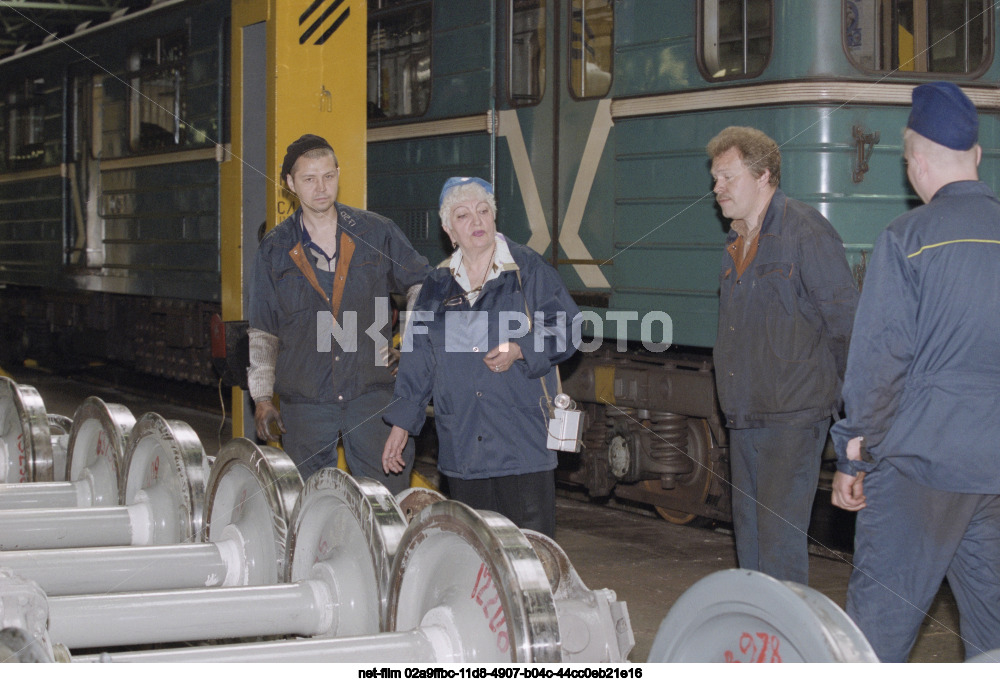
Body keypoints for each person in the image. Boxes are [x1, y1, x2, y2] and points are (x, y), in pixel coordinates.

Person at [831, 82, 1000, 662]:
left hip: (920, 468)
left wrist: (853, 456)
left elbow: (878, 370)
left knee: (873, 641)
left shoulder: (907, 239)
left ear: (916, 163)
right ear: (977, 156)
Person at [380, 177, 580, 537]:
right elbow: (419, 357)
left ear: (494, 218)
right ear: (448, 230)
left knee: (530, 554)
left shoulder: (526, 270)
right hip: (464, 444)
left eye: (483, 211)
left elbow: (568, 328)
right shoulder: (437, 284)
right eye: (463, 215)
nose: (476, 221)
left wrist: (521, 348)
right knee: (476, 556)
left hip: (522, 442)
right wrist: (401, 424)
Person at [707, 126, 858, 584]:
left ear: (763, 175)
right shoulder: (735, 245)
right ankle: (762, 646)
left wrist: (860, 419)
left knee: (779, 551)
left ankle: (790, 650)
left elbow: (847, 327)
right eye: (715, 179)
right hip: (746, 415)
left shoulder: (805, 231)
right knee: (750, 548)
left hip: (792, 417)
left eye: (727, 177)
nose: (717, 188)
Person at [247, 133, 430, 493]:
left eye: (328, 176)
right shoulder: (275, 249)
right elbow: (263, 330)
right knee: (313, 503)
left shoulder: (376, 233)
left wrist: (410, 345)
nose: (321, 188)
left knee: (384, 503)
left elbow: (423, 286)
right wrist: (263, 399)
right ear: (290, 184)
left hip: (372, 397)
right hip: (306, 404)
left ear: (338, 174)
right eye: (309, 179)